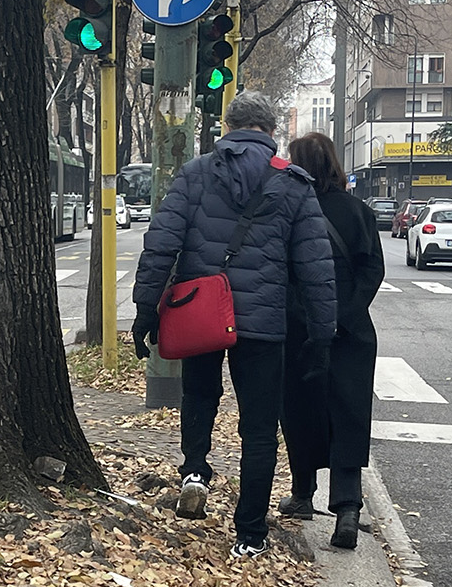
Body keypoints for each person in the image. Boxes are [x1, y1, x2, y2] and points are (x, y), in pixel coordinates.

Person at [131, 90, 336, 560]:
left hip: (201, 312)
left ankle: (195, 470)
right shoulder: (293, 183)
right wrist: (321, 334)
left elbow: (161, 244)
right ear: (270, 131)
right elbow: (316, 267)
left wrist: (146, 310)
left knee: (199, 394)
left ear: (227, 127)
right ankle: (250, 534)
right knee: (259, 427)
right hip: (263, 321)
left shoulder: (196, 173)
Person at [277, 133, 386, 549]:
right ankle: (347, 508)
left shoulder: (291, 211)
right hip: (353, 332)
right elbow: (372, 270)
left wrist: (308, 318)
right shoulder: (360, 211)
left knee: (300, 410)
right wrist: (346, 315)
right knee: (349, 415)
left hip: (300, 330)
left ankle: (302, 494)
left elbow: (283, 274)